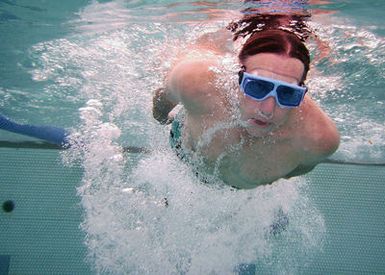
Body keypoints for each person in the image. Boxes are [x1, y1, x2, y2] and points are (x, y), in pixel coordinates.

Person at [152, 14, 340, 189]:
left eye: (288, 93)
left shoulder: (318, 140)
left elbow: (296, 170)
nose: (267, 110)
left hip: (241, 191)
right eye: (257, 87)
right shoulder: (195, 82)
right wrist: (161, 119)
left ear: (302, 92)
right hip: (184, 150)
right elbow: (163, 100)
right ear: (237, 76)